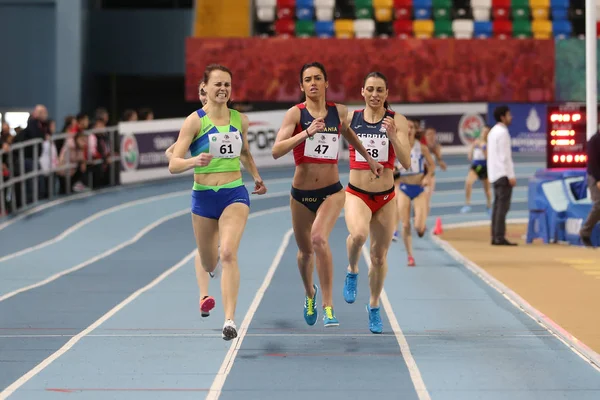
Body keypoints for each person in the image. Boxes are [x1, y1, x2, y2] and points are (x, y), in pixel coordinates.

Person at [272, 62, 383, 328]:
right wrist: (306, 133)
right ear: (301, 86)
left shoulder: (339, 112)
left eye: (317, 78)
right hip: (300, 194)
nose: (313, 83)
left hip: (332, 191)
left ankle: (328, 307)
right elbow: (276, 150)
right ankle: (310, 294)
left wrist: (369, 159)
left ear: (326, 83)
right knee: (305, 253)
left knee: (320, 239)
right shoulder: (295, 115)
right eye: (307, 79)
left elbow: (350, 135)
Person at [168, 64, 268, 340]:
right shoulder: (194, 121)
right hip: (202, 197)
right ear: (206, 88)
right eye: (217, 84)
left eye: (227, 84)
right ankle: (209, 283)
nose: (223, 89)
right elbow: (174, 164)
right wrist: (193, 161)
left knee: (228, 254)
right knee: (210, 261)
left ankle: (230, 320)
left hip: (233, 193)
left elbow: (245, 153)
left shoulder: (240, 120)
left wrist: (257, 177)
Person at [341, 71, 411, 334]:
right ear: (362, 91)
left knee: (379, 257)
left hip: (386, 198)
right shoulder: (351, 118)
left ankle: (373, 306)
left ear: (387, 94)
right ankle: (352, 269)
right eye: (370, 89)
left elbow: (406, 161)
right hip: (357, 193)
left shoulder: (397, 121)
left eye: (380, 90)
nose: (374, 94)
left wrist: (393, 137)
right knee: (358, 235)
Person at [395, 119, 436, 267]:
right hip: (404, 188)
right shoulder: (397, 147)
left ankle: (421, 226)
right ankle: (410, 256)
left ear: (415, 130)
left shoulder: (422, 148)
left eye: (411, 127)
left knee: (418, 228)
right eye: (406, 127)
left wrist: (427, 176)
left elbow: (432, 166)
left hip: (419, 189)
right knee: (405, 225)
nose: (409, 129)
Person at [487, 105, 517, 246]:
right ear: (502, 117)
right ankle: (499, 236)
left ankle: (495, 235)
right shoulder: (503, 133)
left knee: (497, 206)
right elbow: (505, 156)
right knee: (502, 207)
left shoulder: (492, 132)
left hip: (494, 173)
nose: (511, 117)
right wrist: (510, 175)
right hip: (502, 174)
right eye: (509, 115)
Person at [461, 125, 491, 214]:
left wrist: (483, 148)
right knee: (468, 183)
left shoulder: (490, 144)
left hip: (485, 168)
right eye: (483, 131)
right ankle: (467, 204)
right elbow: (470, 156)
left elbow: (488, 157)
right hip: (475, 167)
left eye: (486, 132)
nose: (484, 134)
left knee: (487, 190)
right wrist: (471, 151)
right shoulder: (476, 142)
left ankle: (489, 207)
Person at [580, 130, 600, 247]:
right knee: (599, 204)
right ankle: (585, 232)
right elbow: (592, 163)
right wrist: (598, 180)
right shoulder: (594, 140)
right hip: (595, 176)